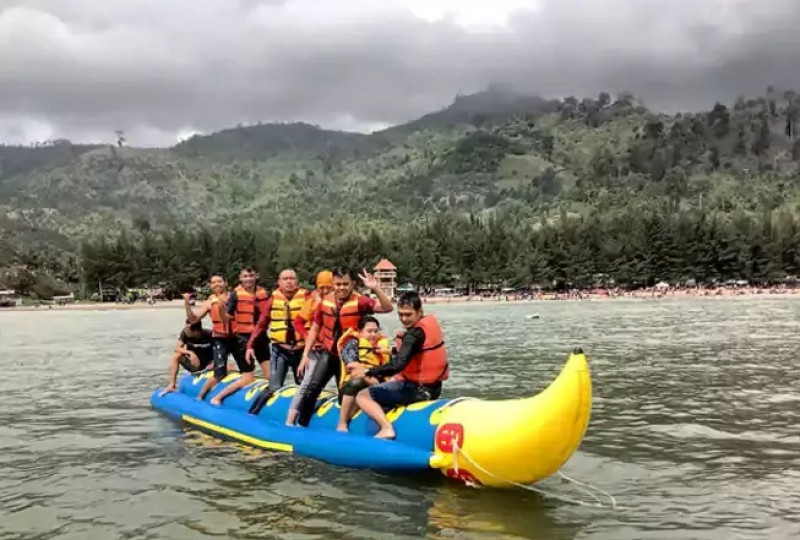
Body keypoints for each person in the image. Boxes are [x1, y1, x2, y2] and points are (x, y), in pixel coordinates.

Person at [292, 267, 393, 427]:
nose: (342, 288)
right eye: (338, 284)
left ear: (352, 283)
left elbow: (388, 308)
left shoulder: (360, 301)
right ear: (333, 283)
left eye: (345, 284)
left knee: (343, 395)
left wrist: (375, 288)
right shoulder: (325, 301)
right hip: (328, 353)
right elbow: (315, 329)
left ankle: (348, 425)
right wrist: (305, 355)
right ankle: (301, 424)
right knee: (313, 387)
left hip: (348, 356)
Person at [350, 291, 449, 439]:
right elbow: (417, 351)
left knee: (363, 395)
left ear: (419, 312)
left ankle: (386, 428)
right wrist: (392, 350)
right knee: (391, 381)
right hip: (434, 388)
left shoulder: (413, 335)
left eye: (408, 314)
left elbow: (398, 365)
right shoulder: (425, 327)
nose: (404, 319)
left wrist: (367, 371)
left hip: (419, 390)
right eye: (401, 314)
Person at [208, 267, 271, 405]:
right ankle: (218, 397)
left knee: (271, 377)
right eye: (245, 276)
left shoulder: (265, 293)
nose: (248, 279)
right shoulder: (235, 295)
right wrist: (219, 308)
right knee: (248, 377)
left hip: (261, 338)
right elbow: (227, 319)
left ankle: (264, 404)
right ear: (240, 278)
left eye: (251, 275)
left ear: (256, 276)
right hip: (243, 340)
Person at [184, 273, 249, 403]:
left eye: (219, 281)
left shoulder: (234, 297)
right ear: (210, 285)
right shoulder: (209, 302)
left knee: (246, 371)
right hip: (220, 339)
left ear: (225, 283)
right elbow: (193, 319)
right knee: (219, 374)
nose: (217, 284)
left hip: (237, 338)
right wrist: (187, 304)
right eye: (213, 282)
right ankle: (200, 396)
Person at [283, 270, 334, 424]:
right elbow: (298, 322)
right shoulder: (312, 301)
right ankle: (290, 419)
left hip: (332, 351)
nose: (325, 291)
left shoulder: (338, 302)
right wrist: (307, 338)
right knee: (306, 383)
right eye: (321, 288)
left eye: (328, 288)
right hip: (315, 350)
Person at [246, 269, 307, 393]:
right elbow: (261, 324)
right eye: (285, 279)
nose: (289, 282)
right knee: (274, 387)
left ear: (297, 281)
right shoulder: (273, 299)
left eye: (292, 278)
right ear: (279, 282)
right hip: (280, 350)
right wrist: (250, 345)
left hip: (301, 350)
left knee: (305, 387)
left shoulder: (307, 297)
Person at [335, 315, 391, 432]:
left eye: (376, 331)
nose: (373, 334)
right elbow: (351, 366)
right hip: (352, 389)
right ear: (360, 331)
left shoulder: (382, 346)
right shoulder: (352, 344)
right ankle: (342, 423)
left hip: (376, 385)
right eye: (369, 331)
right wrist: (368, 378)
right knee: (356, 382)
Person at [160, 319, 213, 396]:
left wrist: (214, 363)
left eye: (188, 329)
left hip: (209, 365)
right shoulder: (185, 334)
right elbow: (177, 348)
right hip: (194, 364)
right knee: (176, 355)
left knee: (228, 364)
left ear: (196, 331)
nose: (185, 331)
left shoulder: (209, 334)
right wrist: (190, 353)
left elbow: (221, 351)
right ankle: (171, 385)